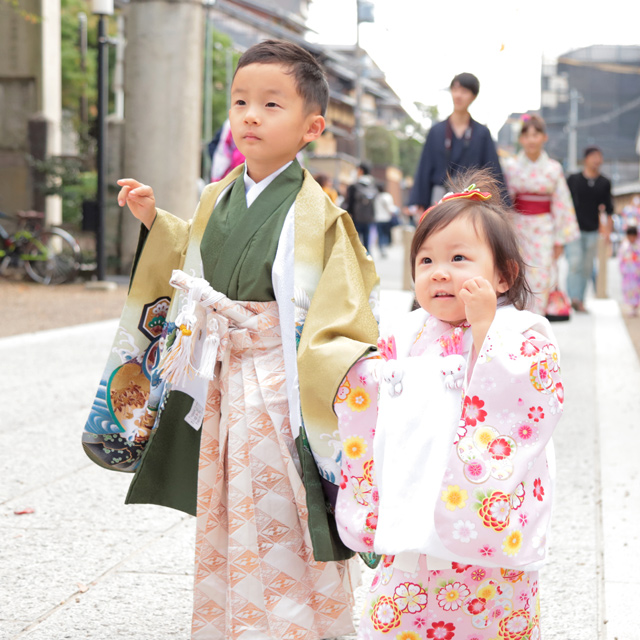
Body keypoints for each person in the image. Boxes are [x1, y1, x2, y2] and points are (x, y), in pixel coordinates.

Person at [82, 40, 380, 640]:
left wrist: (344, 373)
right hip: (218, 377)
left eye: (272, 104)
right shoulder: (218, 196)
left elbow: (345, 308)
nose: (249, 115)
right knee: (225, 507)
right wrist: (156, 224)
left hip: (280, 383)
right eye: (240, 101)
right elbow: (192, 254)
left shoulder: (319, 213)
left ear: (311, 127)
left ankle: (302, 628)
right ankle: (231, 626)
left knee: (282, 509)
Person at [334, 169, 564, 639]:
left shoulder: (522, 336)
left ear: (504, 275)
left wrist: (486, 333)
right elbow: (366, 396)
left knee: (487, 618)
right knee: (400, 615)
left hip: (483, 525)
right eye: (425, 260)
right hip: (411, 513)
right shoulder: (405, 334)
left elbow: (527, 395)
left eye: (459, 258)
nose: (439, 271)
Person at [504, 114, 579, 315]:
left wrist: (560, 240)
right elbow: (505, 201)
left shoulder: (553, 169)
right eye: (526, 135)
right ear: (521, 139)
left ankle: (538, 323)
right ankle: (518, 324)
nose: (531, 140)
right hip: (517, 227)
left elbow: (562, 203)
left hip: (544, 229)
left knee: (541, 275)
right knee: (516, 272)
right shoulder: (511, 167)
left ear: (544, 137)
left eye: (536, 135)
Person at [408, 73, 508, 215]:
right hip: (440, 199)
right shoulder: (436, 131)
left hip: (472, 201)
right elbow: (425, 167)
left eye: (464, 91)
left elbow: (492, 171)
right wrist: (419, 201)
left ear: (473, 96)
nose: (458, 95)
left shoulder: (482, 133)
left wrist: (501, 205)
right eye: (455, 90)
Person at [566, 146, 614, 312]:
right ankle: (573, 298)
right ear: (586, 159)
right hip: (573, 229)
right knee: (575, 263)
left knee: (587, 266)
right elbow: (563, 202)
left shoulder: (604, 183)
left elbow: (609, 210)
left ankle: (580, 299)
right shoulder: (573, 179)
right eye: (593, 156)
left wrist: (607, 232)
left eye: (599, 157)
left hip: (593, 230)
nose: (597, 160)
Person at [346, 162, 378, 251]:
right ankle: (368, 259)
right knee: (367, 241)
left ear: (360, 171)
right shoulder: (373, 185)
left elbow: (349, 203)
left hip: (357, 218)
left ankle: (356, 261)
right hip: (369, 218)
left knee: (356, 241)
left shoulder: (354, 186)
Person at [619, 224, 640, 316]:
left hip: (637, 272)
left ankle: (635, 307)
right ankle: (632, 307)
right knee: (628, 290)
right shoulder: (624, 246)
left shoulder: (638, 245)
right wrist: (622, 269)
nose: (631, 238)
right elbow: (620, 258)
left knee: (637, 290)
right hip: (628, 273)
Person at [373, 181, 397, 257]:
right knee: (386, 233)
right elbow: (390, 208)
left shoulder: (375, 197)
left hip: (378, 218)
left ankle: (381, 248)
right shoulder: (387, 196)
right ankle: (384, 248)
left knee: (380, 234)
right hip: (386, 218)